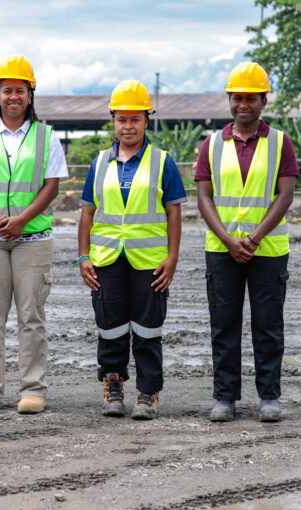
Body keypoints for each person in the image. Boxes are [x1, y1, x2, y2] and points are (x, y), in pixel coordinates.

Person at [0, 55, 69, 414]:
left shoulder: (46, 137)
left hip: (33, 239)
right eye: (6, 90)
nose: (13, 97)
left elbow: (51, 187)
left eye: (20, 90)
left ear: (30, 95)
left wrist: (21, 220)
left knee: (31, 316)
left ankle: (33, 390)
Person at [195, 62, 299, 422]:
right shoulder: (210, 145)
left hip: (267, 251)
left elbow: (284, 196)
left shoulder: (280, 143)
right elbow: (204, 197)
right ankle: (225, 397)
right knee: (223, 325)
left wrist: (253, 238)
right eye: (237, 97)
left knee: (268, 325)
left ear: (263, 101)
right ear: (229, 100)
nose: (244, 104)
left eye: (251, 98)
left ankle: (269, 396)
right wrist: (227, 239)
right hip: (222, 251)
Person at [78, 80, 186, 420]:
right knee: (110, 327)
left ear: (146, 121)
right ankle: (113, 383)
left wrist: (172, 258)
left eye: (135, 119)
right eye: (122, 119)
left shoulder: (163, 162)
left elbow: (174, 212)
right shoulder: (99, 163)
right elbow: (87, 213)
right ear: (113, 120)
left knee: (147, 329)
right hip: (106, 258)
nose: (128, 126)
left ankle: (148, 392)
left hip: (149, 262)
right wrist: (83, 256)